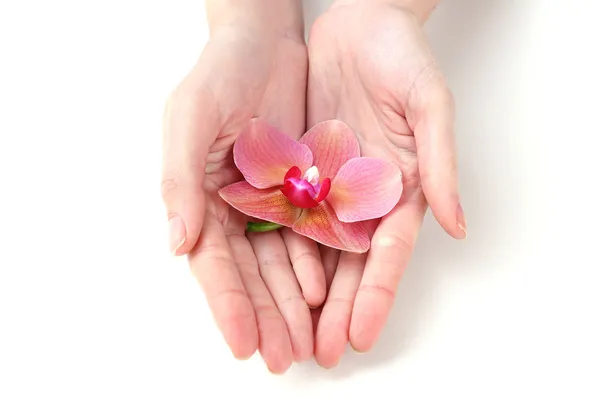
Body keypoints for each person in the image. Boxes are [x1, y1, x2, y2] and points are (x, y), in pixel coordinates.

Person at [161, 0, 466, 373]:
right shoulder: (281, 184)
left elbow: (371, 202)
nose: (314, 172)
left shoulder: (329, 196)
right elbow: (250, 153)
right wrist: (250, 19)